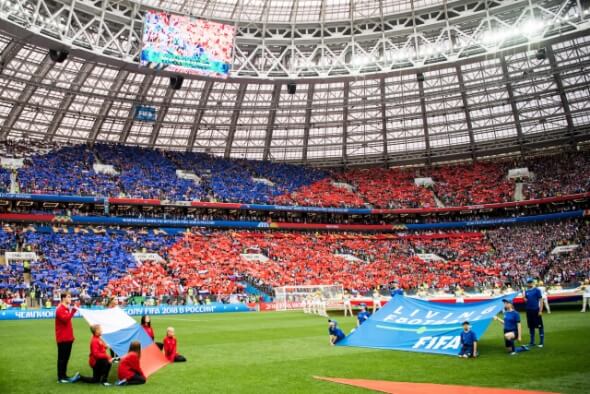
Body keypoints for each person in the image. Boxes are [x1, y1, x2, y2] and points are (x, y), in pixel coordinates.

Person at [55, 291, 80, 383]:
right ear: (63, 298)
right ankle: (60, 378)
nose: (70, 299)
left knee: (65, 358)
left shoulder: (65, 308)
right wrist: (74, 310)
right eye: (68, 297)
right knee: (62, 358)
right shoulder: (60, 309)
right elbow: (65, 320)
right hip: (62, 338)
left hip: (68, 338)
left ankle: (64, 376)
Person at [523, 278, 545, 348]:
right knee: (531, 327)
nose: (529, 284)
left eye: (530, 282)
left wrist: (540, 310)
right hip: (528, 311)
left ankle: (541, 342)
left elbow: (541, 300)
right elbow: (526, 301)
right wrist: (523, 297)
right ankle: (532, 342)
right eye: (528, 282)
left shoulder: (537, 290)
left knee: (539, 326)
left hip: (536, 310)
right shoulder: (526, 291)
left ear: (533, 283)